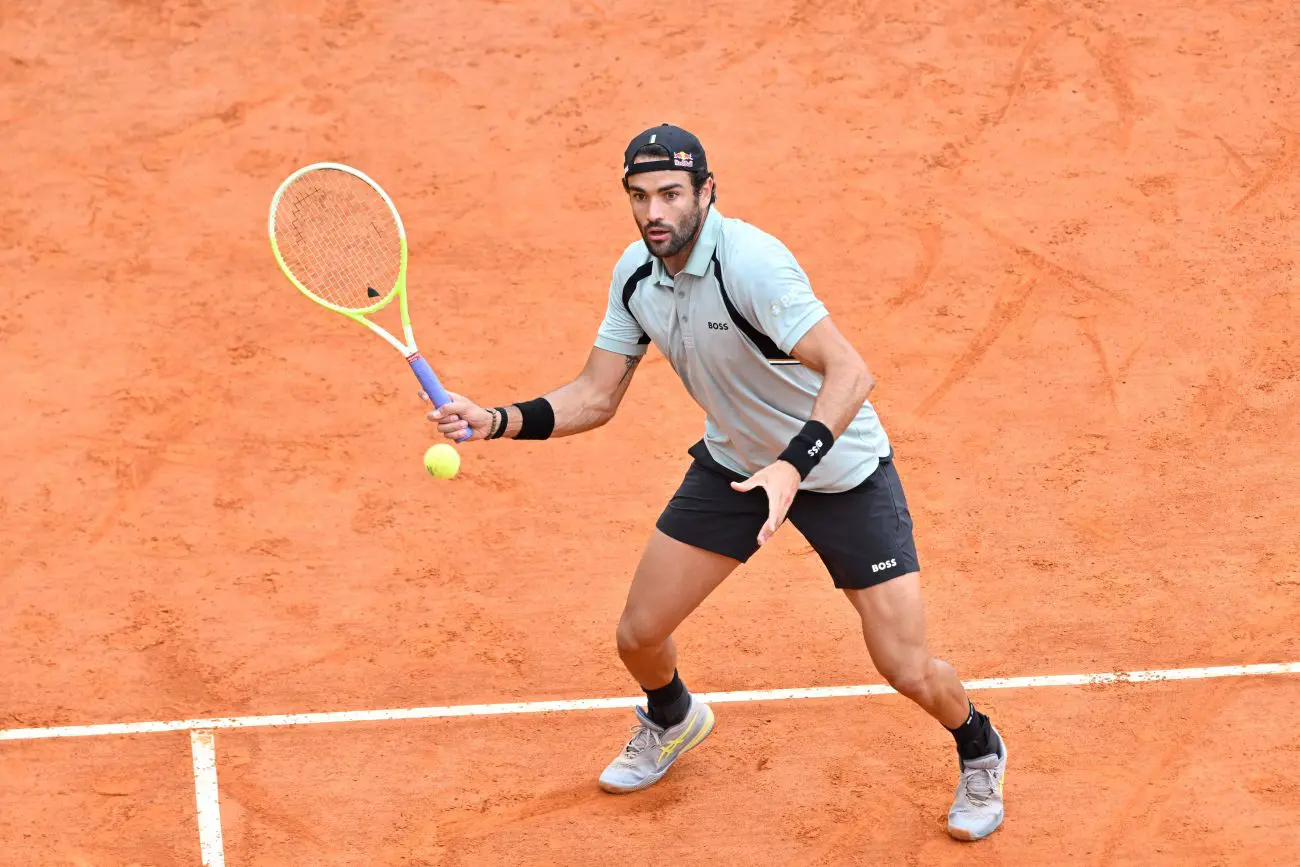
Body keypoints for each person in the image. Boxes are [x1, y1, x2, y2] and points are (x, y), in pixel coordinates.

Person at [426, 123, 1007, 841]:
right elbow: (597, 395)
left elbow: (851, 371)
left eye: (671, 194)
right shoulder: (636, 275)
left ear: (706, 191)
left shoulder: (753, 266)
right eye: (640, 196)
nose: (654, 212)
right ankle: (673, 716)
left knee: (907, 666)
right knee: (639, 635)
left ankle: (979, 746)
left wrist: (793, 465)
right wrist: (496, 420)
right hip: (736, 465)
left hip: (839, 471)